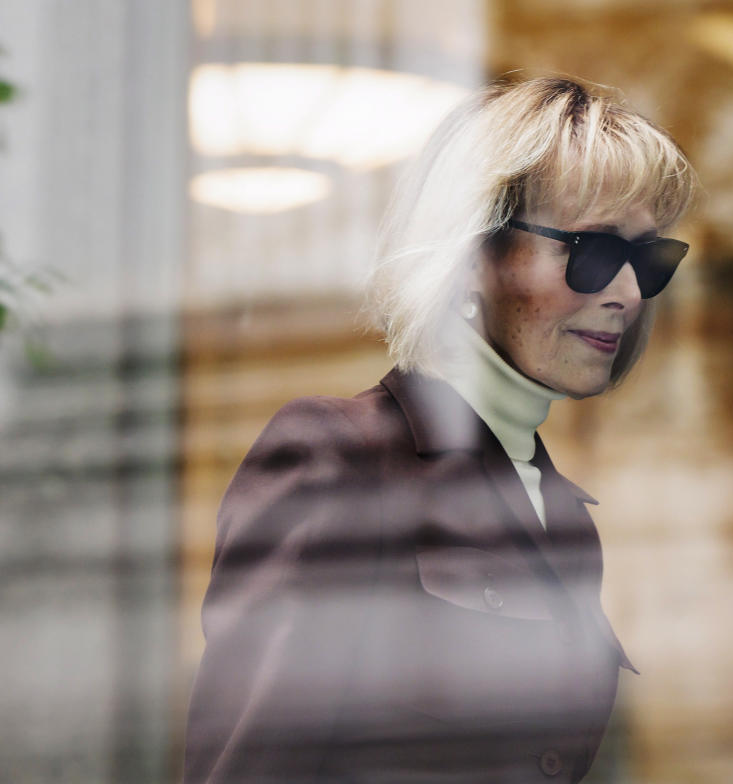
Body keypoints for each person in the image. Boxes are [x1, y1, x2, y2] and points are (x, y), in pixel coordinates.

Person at [182, 76, 697, 783]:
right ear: (474, 254)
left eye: (648, 259)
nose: (629, 293)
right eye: (594, 253)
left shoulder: (562, 515)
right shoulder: (339, 457)